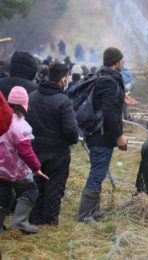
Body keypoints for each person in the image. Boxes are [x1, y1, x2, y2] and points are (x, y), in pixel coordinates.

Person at [76, 47, 128, 225]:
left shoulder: (103, 76)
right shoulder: (109, 81)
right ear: (117, 62)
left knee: (99, 171)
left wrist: (122, 97)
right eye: (121, 60)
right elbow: (109, 112)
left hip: (97, 133)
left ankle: (94, 210)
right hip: (101, 134)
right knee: (97, 173)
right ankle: (84, 215)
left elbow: (107, 103)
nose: (122, 62)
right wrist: (119, 135)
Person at [26, 63, 79, 226]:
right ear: (63, 79)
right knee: (54, 186)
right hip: (57, 152)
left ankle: (34, 217)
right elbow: (71, 131)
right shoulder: (64, 102)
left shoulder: (32, 96)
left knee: (37, 184)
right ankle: (49, 220)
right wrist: (72, 141)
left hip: (35, 149)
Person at [0, 87, 49, 234]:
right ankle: (19, 222)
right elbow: (25, 151)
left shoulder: (3, 118)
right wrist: (36, 167)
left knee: (5, 196)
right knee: (30, 190)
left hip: (0, 168)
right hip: (13, 169)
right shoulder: (20, 125)